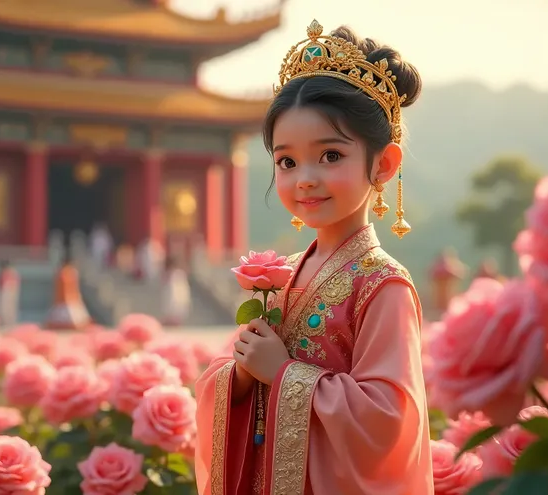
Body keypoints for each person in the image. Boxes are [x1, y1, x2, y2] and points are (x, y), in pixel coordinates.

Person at [195, 22, 433, 495]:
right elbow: (239, 382)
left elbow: (388, 422)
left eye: (329, 156)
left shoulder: (383, 285)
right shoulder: (280, 275)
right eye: (286, 161)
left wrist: (283, 373)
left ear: (382, 164)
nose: (304, 178)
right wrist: (240, 376)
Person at [45, 253, 92, 330]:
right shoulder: (67, 273)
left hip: (66, 303)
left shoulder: (64, 273)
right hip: (67, 303)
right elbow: (68, 292)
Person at [160, 256, 191, 326]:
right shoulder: (173, 276)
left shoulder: (177, 276)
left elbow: (177, 294)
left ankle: (173, 318)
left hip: (176, 305)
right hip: (175, 306)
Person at [0, 259, 20, 328]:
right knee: (2, 309)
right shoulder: (2, 274)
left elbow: (13, 285)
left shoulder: (12, 273)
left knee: (8, 310)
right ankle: (4, 324)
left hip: (8, 293)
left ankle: (8, 324)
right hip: (3, 293)